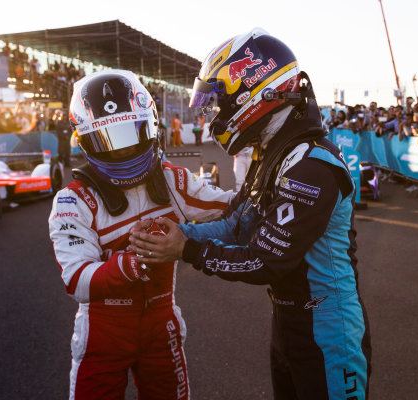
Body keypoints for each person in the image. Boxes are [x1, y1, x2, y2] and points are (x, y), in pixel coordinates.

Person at [128, 28, 372, 400]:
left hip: (329, 332)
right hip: (289, 324)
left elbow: (265, 262)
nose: (213, 114)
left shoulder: (311, 165)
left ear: (253, 93)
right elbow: (238, 225)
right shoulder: (273, 152)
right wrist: (179, 232)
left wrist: (185, 250)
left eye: (218, 102)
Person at [48, 69, 234, 400]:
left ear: (150, 127)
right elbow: (76, 280)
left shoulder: (174, 181)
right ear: (86, 139)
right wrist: (127, 265)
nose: (122, 151)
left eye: (130, 135)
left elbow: (231, 208)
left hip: (161, 326)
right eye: (109, 141)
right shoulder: (72, 200)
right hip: (102, 334)